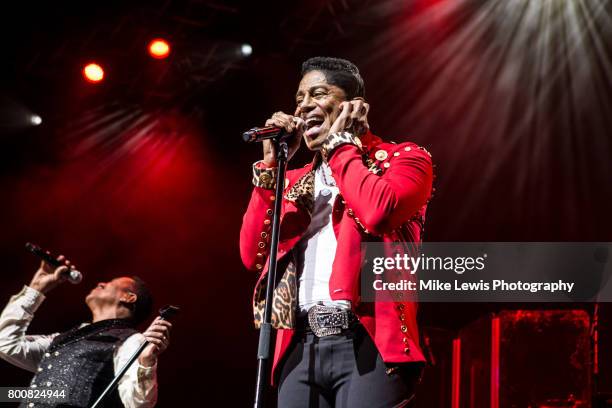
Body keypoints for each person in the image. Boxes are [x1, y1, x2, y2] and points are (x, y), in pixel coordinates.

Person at [240, 57, 434, 407]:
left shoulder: (403, 159)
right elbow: (252, 253)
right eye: (299, 98)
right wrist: (270, 170)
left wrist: (342, 145)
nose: (303, 106)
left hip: (368, 343)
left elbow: (379, 212)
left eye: (317, 93)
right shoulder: (294, 181)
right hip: (299, 347)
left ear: (352, 105)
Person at [0, 255, 172, 407]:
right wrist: (36, 289)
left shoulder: (131, 341)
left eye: (111, 283)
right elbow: (6, 343)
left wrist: (146, 363)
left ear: (128, 297)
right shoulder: (63, 339)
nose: (101, 283)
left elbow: (137, 404)